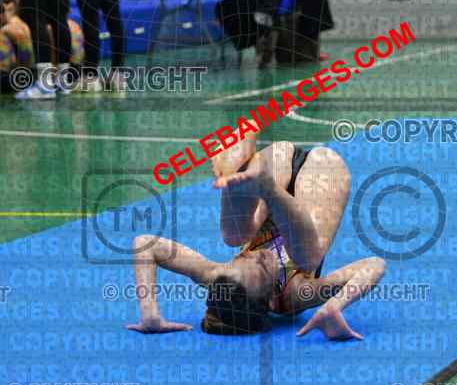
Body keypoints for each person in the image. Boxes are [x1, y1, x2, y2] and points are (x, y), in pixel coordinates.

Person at [127, 134, 386, 340]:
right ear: (270, 299)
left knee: (234, 237)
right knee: (307, 259)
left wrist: (149, 313)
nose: (255, 254)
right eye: (261, 265)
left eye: (242, 258)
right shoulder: (294, 296)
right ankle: (265, 187)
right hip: (323, 172)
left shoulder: (217, 276)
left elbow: (144, 244)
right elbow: (374, 265)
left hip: (279, 162)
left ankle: (245, 175)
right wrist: (335, 305)